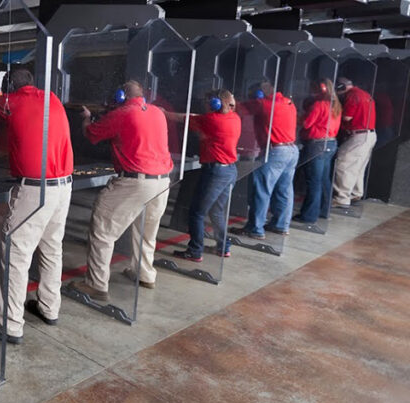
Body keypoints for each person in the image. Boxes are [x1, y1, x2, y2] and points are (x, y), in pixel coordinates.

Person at [0, 67, 74, 344]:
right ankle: (48, 307)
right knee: (51, 249)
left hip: (35, 189)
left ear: (7, 89)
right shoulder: (51, 99)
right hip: (63, 187)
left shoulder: (9, 102)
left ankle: (8, 326)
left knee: (15, 254)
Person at [67, 80, 172, 301]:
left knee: (102, 231)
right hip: (162, 182)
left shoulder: (123, 113)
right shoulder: (156, 112)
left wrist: (86, 118)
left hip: (136, 181)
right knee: (146, 232)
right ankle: (144, 273)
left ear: (121, 96)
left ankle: (96, 284)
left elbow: (92, 135)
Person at [170, 89, 241, 262]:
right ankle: (223, 247)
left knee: (196, 213)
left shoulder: (211, 119)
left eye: (208, 101)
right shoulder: (234, 117)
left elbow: (184, 118)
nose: (205, 104)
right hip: (230, 170)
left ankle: (195, 251)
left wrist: (163, 113)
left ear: (216, 103)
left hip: (216, 172)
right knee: (217, 211)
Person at [233, 82, 298, 240]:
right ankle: (280, 225)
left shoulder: (264, 104)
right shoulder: (289, 103)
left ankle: (255, 228)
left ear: (259, 95)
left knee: (261, 190)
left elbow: (235, 107)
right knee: (284, 190)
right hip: (291, 150)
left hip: (276, 151)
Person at [293, 79, 342, 223]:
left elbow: (307, 123)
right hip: (330, 143)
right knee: (324, 179)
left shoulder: (320, 104)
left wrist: (296, 116)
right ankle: (323, 210)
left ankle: (309, 216)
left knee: (314, 181)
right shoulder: (335, 104)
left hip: (317, 145)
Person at [332, 77, 377, 208]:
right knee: (357, 165)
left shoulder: (352, 96)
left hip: (359, 135)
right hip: (368, 134)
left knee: (343, 164)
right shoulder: (364, 93)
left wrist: (335, 109)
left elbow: (347, 117)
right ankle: (355, 193)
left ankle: (342, 198)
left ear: (341, 87)